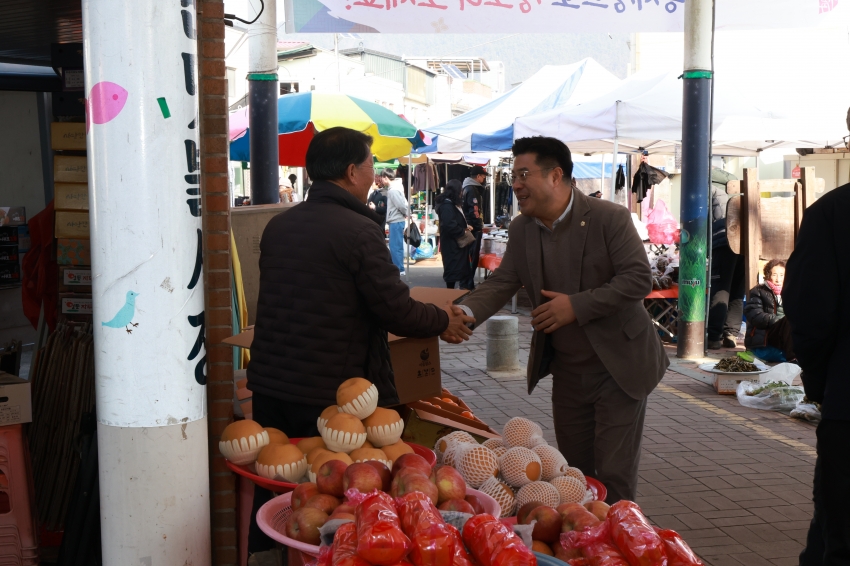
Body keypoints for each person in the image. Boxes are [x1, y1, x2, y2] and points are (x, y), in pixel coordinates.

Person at [246, 127, 473, 552]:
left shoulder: (280, 225)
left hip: (273, 385)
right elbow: (394, 308)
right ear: (352, 171)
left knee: (275, 492)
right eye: (371, 165)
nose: (374, 173)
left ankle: (266, 558)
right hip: (333, 394)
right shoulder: (357, 230)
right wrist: (442, 321)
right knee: (335, 501)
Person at [457, 136, 668, 503]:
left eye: (524, 174)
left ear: (556, 176)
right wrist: (464, 313)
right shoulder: (523, 228)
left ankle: (618, 547)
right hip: (568, 371)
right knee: (574, 475)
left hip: (619, 368)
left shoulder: (610, 218)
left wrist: (576, 306)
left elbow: (638, 279)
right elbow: (506, 279)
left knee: (614, 476)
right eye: (513, 175)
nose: (516, 184)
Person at [785, 108, 850, 565]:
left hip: (849, 403)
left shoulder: (833, 212)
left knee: (839, 538)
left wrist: (823, 384)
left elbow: (810, 315)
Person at [706, 167, 744, 349]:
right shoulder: (738, 189)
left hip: (723, 242)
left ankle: (714, 336)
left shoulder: (708, 188)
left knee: (721, 288)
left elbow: (703, 219)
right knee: (737, 290)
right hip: (744, 242)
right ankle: (731, 334)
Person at [743, 259, 794, 362]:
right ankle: (793, 359)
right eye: (775, 275)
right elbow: (754, 313)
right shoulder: (759, 291)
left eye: (781, 275)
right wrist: (777, 320)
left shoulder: (791, 291)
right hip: (766, 334)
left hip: (785, 335)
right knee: (789, 320)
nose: (778, 279)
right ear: (768, 275)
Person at [436, 179, 473, 289]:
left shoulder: (450, 204)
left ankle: (455, 292)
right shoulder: (447, 206)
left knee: (456, 268)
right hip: (452, 244)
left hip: (453, 243)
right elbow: (449, 225)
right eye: (461, 190)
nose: (462, 193)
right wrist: (463, 231)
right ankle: (450, 294)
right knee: (452, 270)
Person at [461, 165, 488, 289]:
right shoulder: (472, 189)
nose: (484, 179)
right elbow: (475, 210)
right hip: (473, 228)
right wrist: (478, 226)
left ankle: (467, 281)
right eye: (483, 176)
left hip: (469, 226)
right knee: (472, 255)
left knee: (469, 255)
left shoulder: (467, 187)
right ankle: (468, 283)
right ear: (478, 176)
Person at [384, 169, 410, 275]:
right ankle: (399, 268)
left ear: (386, 177)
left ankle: (399, 269)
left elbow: (400, 205)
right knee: (396, 245)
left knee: (395, 246)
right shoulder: (395, 188)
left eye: (382, 177)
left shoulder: (393, 190)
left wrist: (405, 213)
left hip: (396, 220)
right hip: (397, 220)